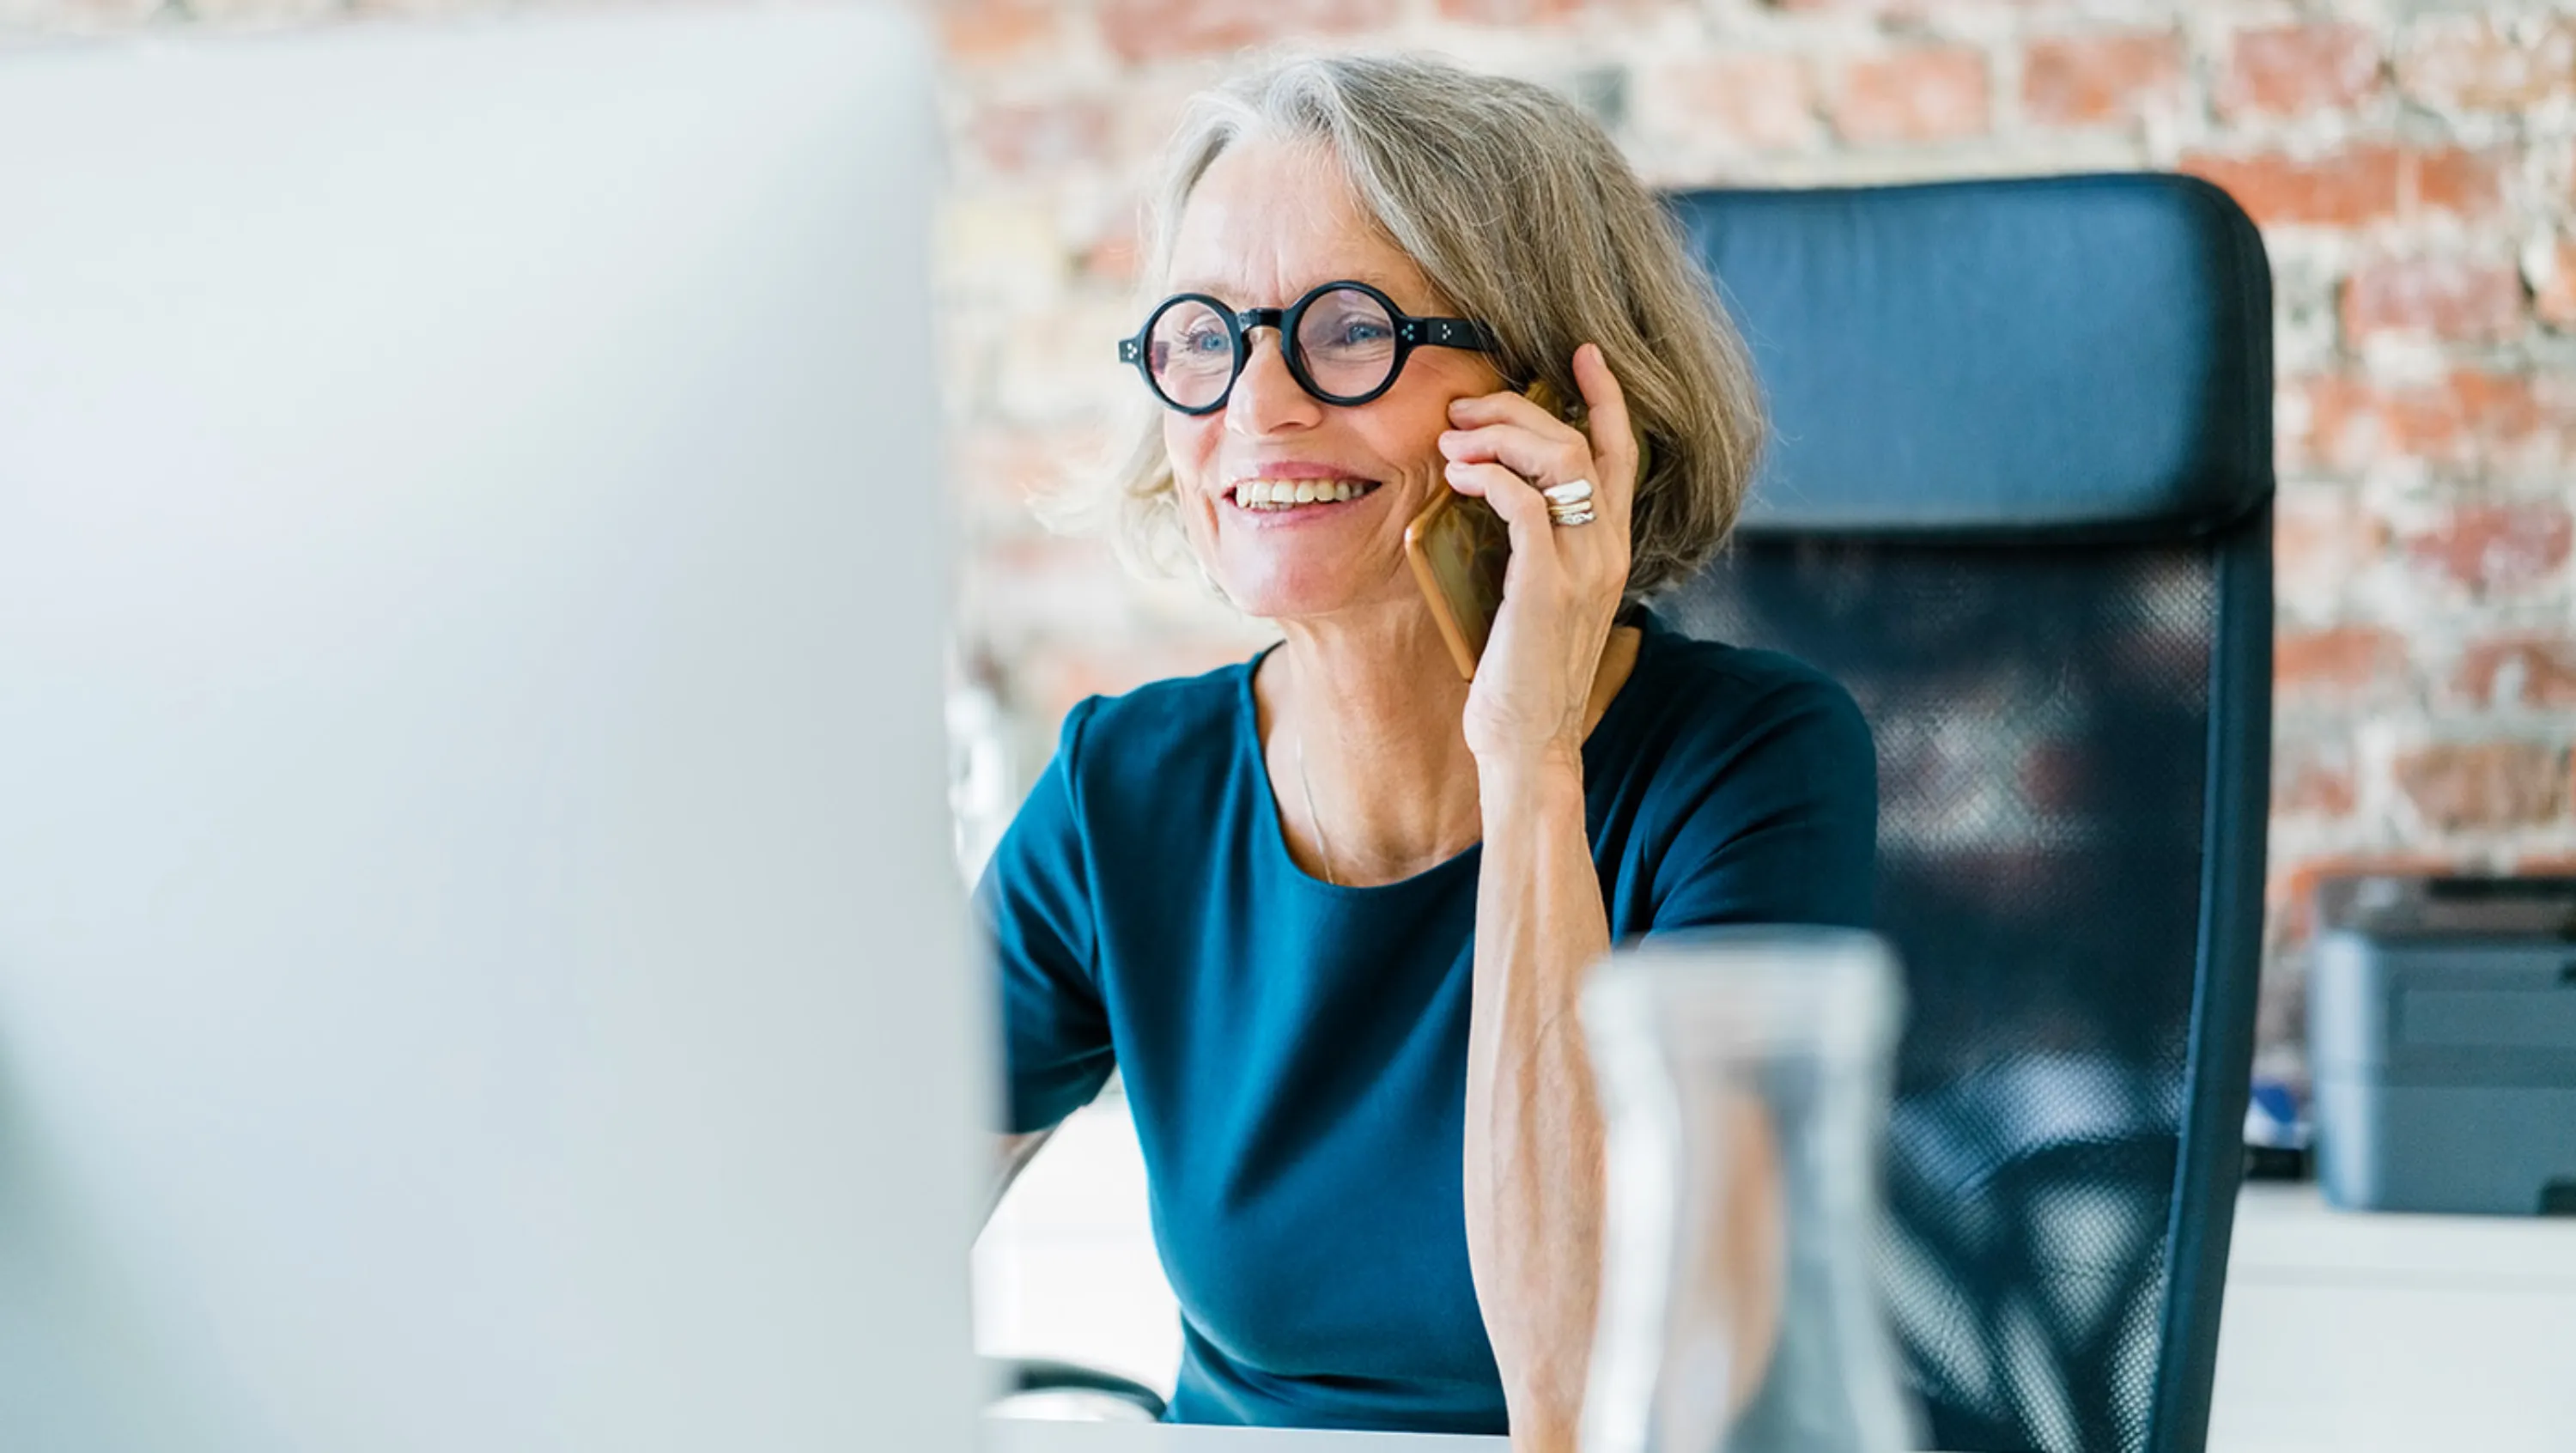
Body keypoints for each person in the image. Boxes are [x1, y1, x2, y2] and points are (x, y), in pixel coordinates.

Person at [977, 52, 1876, 1450]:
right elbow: (823, 1256)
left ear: (1558, 402)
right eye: (1206, 335)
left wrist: (1529, 761)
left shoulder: (1747, 767)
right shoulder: (1121, 795)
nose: (1257, 407)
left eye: (1349, 330)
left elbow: (1583, 1400)